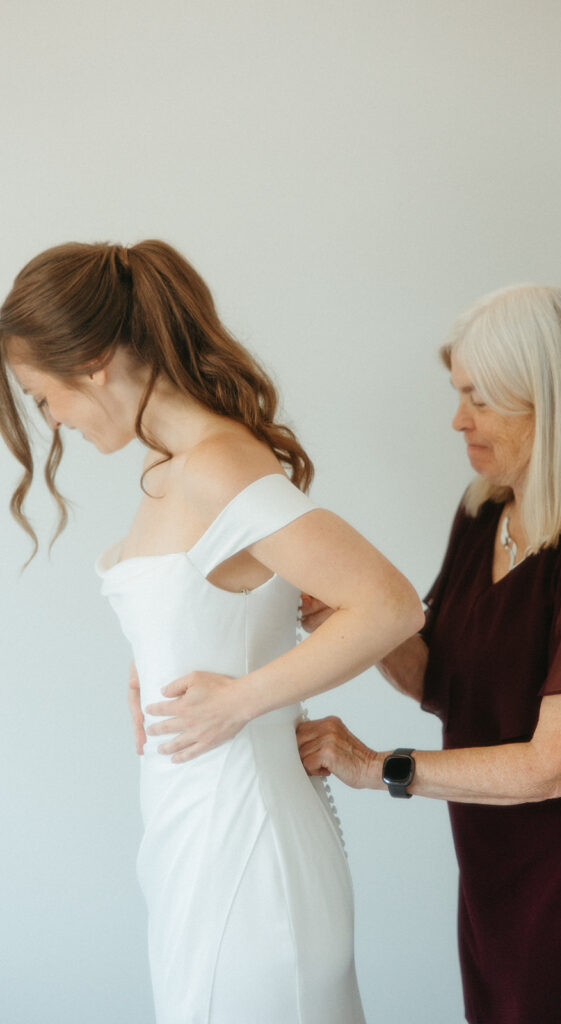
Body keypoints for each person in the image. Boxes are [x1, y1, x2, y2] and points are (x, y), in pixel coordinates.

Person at [0, 239, 424, 1024]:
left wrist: (240, 700)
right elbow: (204, 604)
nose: (50, 419)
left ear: (93, 363)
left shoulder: (213, 465)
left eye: (41, 396)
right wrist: (150, 658)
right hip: (195, 834)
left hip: (246, 845)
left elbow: (389, 604)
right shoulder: (170, 468)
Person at [296, 284, 561, 1024]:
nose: (456, 419)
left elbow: (555, 763)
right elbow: (444, 679)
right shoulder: (483, 513)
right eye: (457, 393)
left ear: (558, 401)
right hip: (492, 859)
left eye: (479, 398)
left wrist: (376, 769)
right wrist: (360, 617)